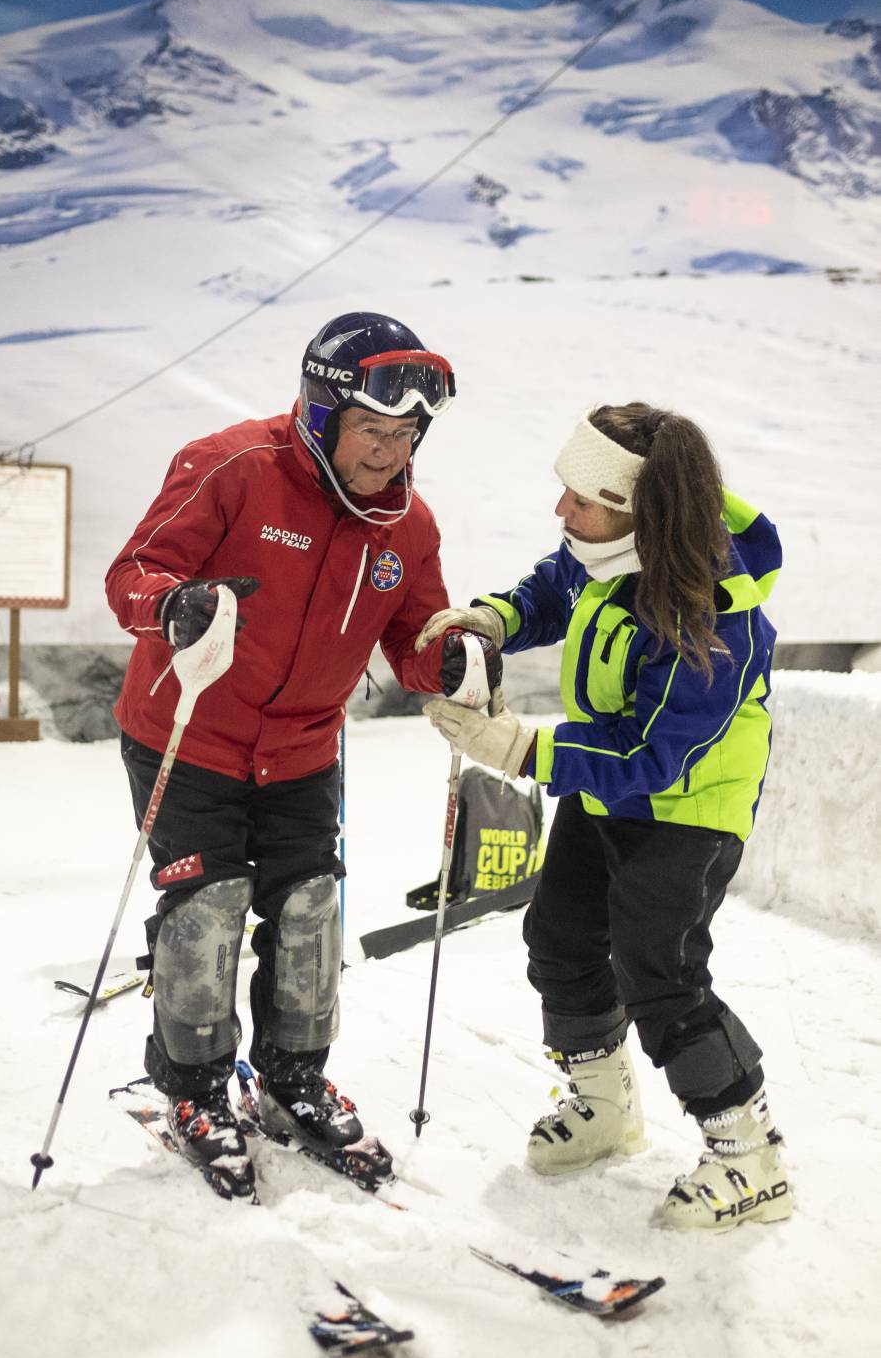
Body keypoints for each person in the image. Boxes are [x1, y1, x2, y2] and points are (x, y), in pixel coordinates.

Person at [105, 311, 495, 1200]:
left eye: (406, 436)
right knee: (207, 913)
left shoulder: (407, 525)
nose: (389, 453)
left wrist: (452, 658)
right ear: (323, 416)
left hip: (304, 752)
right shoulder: (234, 466)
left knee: (311, 912)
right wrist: (175, 605)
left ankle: (291, 1081)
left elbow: (414, 637)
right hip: (189, 734)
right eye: (371, 430)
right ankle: (197, 1092)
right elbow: (135, 570)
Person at [419, 402, 792, 1232]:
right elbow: (553, 588)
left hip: (687, 811)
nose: (563, 512)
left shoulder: (715, 612)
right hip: (605, 794)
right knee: (559, 937)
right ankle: (605, 1109)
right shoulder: (607, 548)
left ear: (639, 509)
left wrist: (518, 749)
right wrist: (493, 620)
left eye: (580, 499)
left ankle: (750, 1156)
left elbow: (651, 753)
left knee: (658, 968)